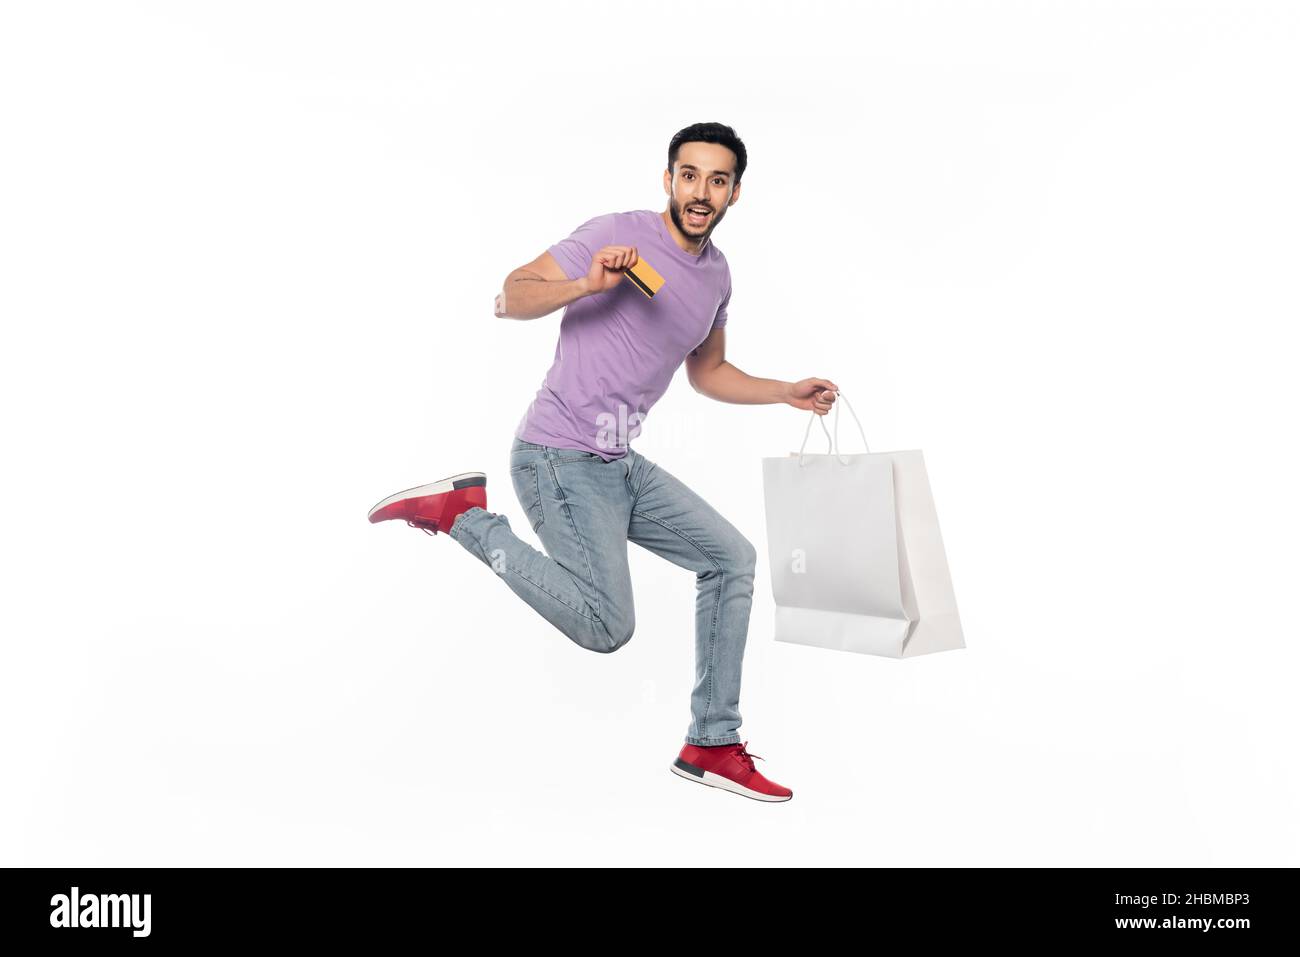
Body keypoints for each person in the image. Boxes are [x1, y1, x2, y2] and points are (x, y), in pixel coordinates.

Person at [368, 122, 838, 803]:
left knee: (731, 559)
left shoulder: (717, 277)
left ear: (736, 192)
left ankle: (710, 739)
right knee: (606, 625)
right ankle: (466, 518)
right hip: (556, 456)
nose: (699, 192)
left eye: (716, 179)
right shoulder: (616, 232)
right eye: (688, 174)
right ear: (668, 178)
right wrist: (586, 284)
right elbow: (513, 293)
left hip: (618, 462)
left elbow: (707, 372)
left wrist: (784, 392)